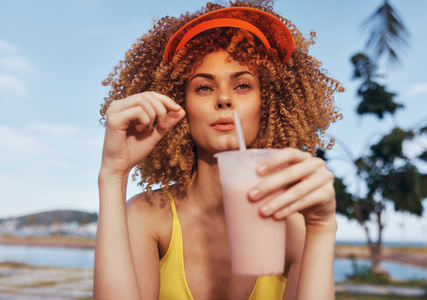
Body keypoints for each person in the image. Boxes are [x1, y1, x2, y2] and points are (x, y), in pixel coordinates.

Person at [94, 1, 343, 299]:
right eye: (204, 87)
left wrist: (323, 227)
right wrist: (113, 174)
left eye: (242, 85)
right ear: (180, 103)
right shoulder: (148, 216)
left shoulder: (295, 229)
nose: (224, 98)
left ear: (269, 103)